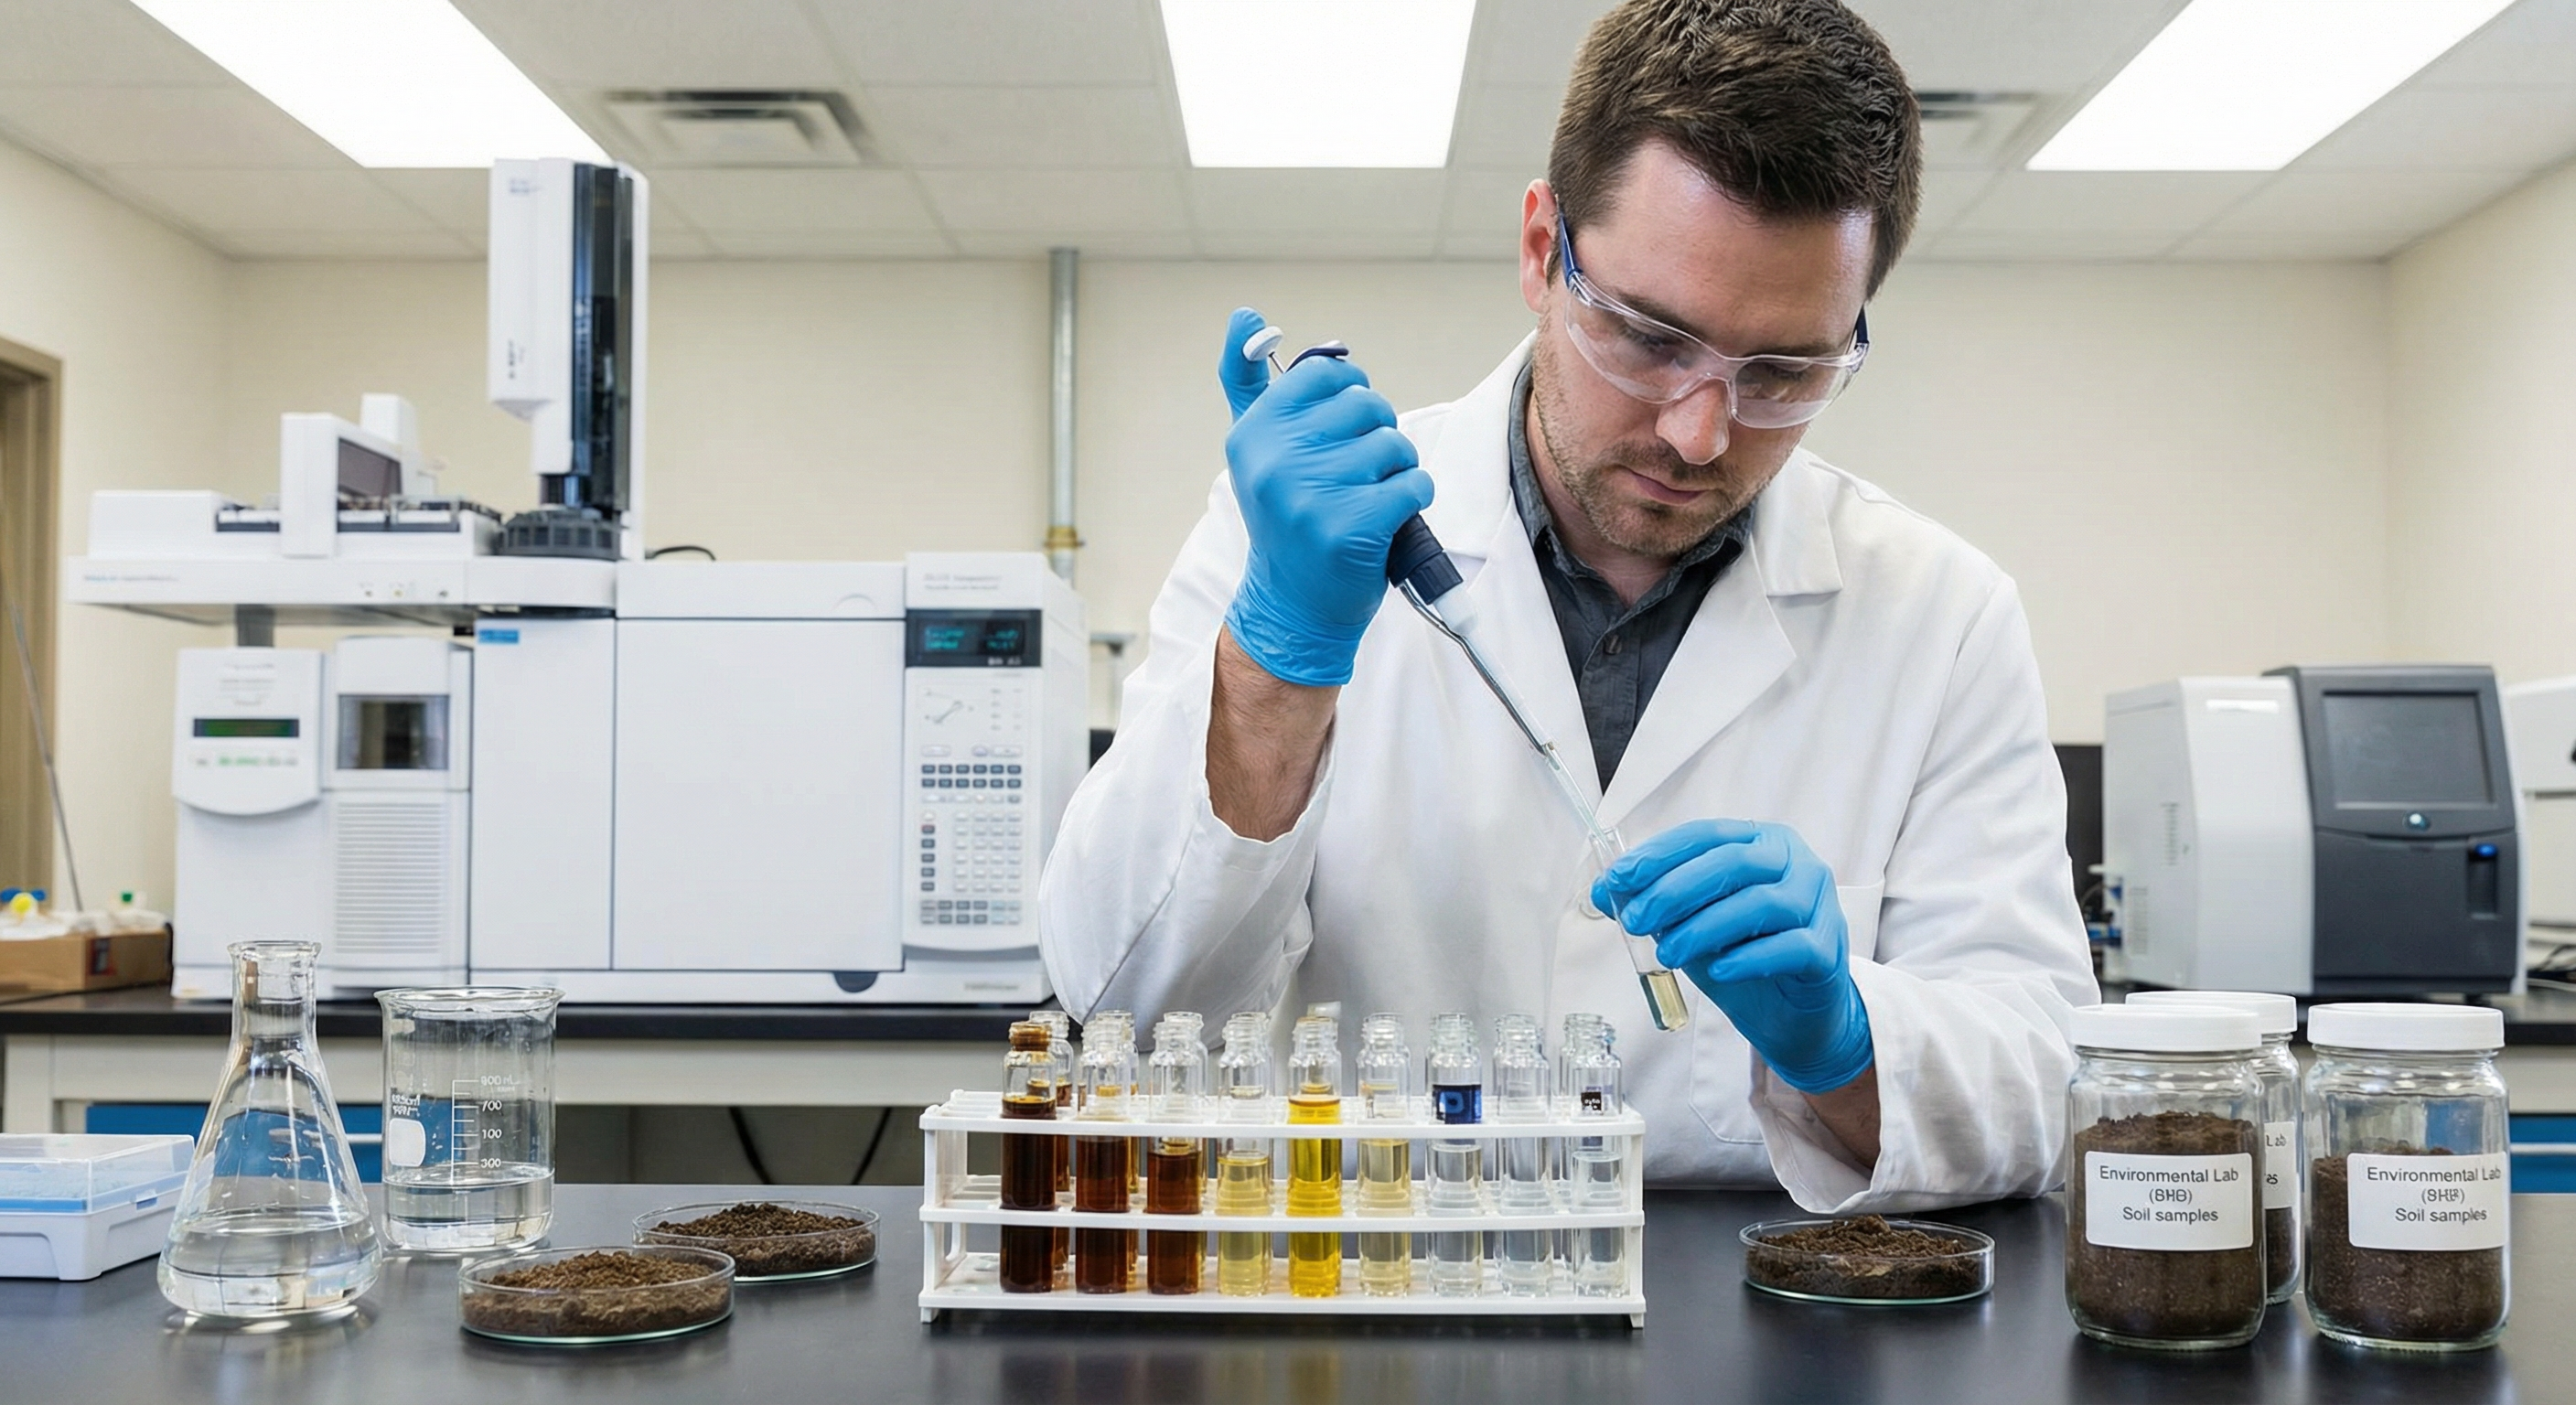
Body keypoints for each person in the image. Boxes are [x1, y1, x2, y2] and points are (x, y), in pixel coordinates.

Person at [1040, 0, 2096, 1210]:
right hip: (1376, 1269)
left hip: (1762, 1295)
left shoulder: (1942, 616)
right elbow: (1121, 1008)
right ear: (1544, 252)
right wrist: (1276, 670)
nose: (1700, 433)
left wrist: (1848, 1040)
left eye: (1782, 373)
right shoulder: (1286, 536)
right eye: (1651, 339)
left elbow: (2046, 1080)